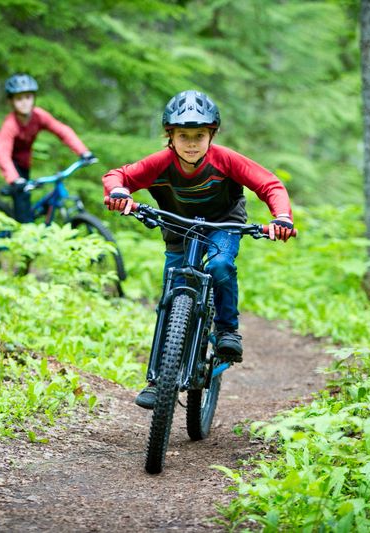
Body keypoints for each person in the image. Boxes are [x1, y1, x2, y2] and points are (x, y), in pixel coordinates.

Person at [103, 90, 294, 409]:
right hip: (178, 226)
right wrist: (120, 192)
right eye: (183, 135)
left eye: (199, 135)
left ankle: (227, 330)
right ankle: (157, 379)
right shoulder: (160, 163)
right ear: (170, 136)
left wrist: (282, 217)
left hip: (224, 224)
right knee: (172, 293)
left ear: (211, 135)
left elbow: (268, 184)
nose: (192, 143)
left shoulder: (226, 159)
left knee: (220, 267)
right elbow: (117, 176)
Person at [0, 73, 94, 223]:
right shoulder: (10, 125)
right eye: (19, 99)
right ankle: (22, 233)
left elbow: (62, 130)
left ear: (33, 98)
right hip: (11, 163)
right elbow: (3, 153)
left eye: (28, 97)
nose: (24, 102)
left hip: (25, 159)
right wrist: (14, 179)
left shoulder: (39, 116)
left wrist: (83, 152)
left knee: (30, 196)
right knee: (22, 203)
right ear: (11, 102)